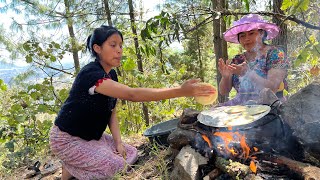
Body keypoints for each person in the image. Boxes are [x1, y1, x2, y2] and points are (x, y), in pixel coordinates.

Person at [49, 25, 215, 180]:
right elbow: (132, 94)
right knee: (117, 165)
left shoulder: (111, 75)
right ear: (97, 49)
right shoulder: (91, 74)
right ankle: (72, 162)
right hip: (66, 138)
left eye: (120, 45)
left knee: (130, 153)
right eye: (113, 45)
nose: (119, 50)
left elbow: (111, 112)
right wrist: (180, 91)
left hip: (90, 137)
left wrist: (118, 142)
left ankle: (72, 165)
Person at [218, 14, 290, 106]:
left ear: (262, 34)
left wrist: (248, 73)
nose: (246, 39)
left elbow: (273, 88)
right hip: (242, 108)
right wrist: (226, 77)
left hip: (271, 107)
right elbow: (223, 91)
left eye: (251, 33)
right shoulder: (238, 59)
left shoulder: (276, 54)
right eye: (242, 36)